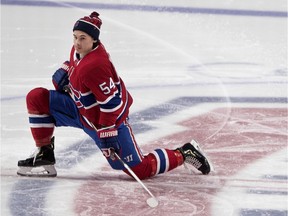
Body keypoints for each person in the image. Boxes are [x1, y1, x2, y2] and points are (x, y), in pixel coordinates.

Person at [17, 11, 211, 179]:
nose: (77, 42)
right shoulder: (79, 50)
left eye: (82, 38)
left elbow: (112, 104)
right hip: (80, 111)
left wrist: (108, 132)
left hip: (104, 121)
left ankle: (184, 153)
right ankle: (44, 156)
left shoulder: (96, 66)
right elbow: (73, 65)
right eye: (75, 37)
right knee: (37, 98)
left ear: (94, 39)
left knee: (138, 169)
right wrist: (63, 72)